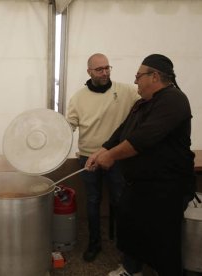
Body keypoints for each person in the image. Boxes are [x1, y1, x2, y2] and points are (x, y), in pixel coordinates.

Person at [86, 54, 196, 276]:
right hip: (140, 185)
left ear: (154, 76)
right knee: (132, 231)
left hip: (166, 188)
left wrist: (112, 156)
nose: (135, 81)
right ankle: (131, 270)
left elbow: (143, 139)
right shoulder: (142, 103)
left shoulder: (173, 100)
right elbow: (122, 131)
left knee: (164, 242)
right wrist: (103, 149)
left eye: (138, 76)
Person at [66, 53, 139, 262]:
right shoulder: (78, 98)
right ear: (89, 72)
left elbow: (149, 100)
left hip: (117, 157)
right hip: (89, 158)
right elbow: (68, 126)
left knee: (120, 200)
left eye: (108, 68)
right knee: (92, 200)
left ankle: (126, 246)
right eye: (100, 69)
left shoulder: (126, 91)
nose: (105, 72)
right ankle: (94, 243)